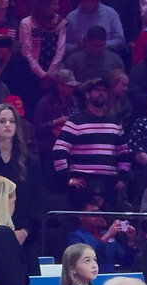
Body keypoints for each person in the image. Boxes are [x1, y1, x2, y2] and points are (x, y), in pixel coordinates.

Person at [0, 102, 46, 274]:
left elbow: (38, 202)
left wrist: (24, 231)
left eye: (11, 121)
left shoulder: (30, 161)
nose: (7, 125)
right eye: (2, 121)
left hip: (23, 238)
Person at [51, 77, 131, 205]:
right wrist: (67, 179)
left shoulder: (115, 123)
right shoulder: (75, 122)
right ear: (87, 94)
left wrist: (122, 179)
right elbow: (58, 151)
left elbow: (124, 154)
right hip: (83, 183)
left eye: (104, 91)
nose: (102, 93)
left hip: (109, 183)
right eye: (97, 90)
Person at [20, 0, 68, 82]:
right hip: (32, 73)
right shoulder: (27, 23)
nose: (57, 7)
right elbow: (26, 52)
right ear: (43, 6)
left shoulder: (60, 23)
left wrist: (49, 74)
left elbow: (60, 51)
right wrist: (42, 75)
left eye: (57, 4)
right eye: (53, 4)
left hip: (55, 74)